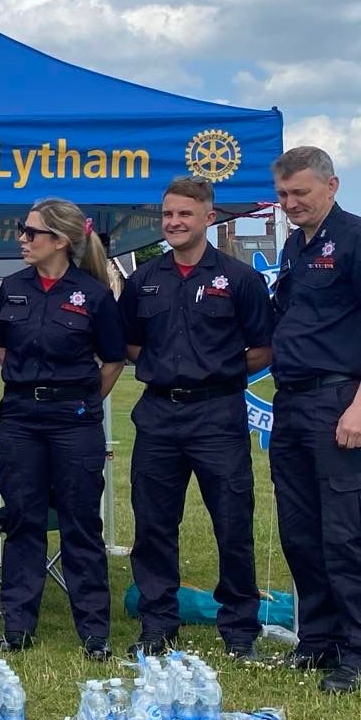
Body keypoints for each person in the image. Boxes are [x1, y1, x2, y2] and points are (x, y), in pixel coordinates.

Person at [117, 177, 275, 661]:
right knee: (154, 524)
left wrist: (215, 370)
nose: (174, 223)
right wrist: (171, 368)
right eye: (168, 215)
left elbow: (263, 346)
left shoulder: (239, 279)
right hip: (159, 413)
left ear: (209, 217)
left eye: (185, 214)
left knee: (231, 521)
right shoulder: (144, 280)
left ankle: (240, 628)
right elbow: (128, 342)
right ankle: (157, 624)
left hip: (218, 413)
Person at [268, 145, 361, 694]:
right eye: (282, 195)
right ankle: (318, 640)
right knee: (300, 532)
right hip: (293, 402)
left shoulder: (360, 238)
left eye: (300, 192)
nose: (290, 204)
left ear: (332, 185)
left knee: (345, 534)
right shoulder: (296, 248)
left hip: (339, 399)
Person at [0, 198, 125, 657]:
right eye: (22, 229)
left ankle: (93, 633)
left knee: (80, 524)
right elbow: (5, 352)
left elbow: (112, 361)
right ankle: (18, 628)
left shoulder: (95, 294)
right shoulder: (12, 288)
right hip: (22, 418)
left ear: (61, 241)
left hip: (73, 421)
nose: (22, 239)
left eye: (31, 232)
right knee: (22, 520)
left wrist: (82, 401)